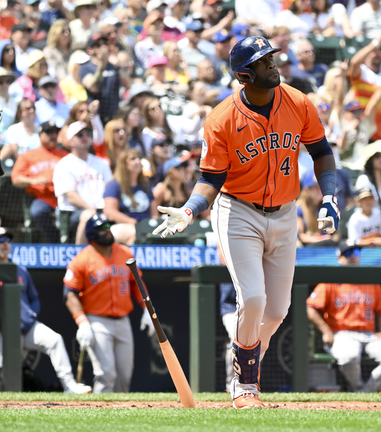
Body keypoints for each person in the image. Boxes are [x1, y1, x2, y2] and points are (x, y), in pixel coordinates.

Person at [152, 36, 338, 409]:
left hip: (285, 214)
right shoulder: (222, 118)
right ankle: (245, 384)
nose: (273, 65)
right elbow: (211, 179)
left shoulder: (298, 101)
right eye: (264, 62)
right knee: (252, 299)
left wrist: (330, 197)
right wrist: (189, 210)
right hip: (238, 212)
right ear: (244, 75)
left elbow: (322, 153)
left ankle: (242, 357)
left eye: (272, 58)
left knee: (277, 310)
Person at [0, 228, 93, 394]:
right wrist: (4, 296)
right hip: (4, 330)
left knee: (55, 340)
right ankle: (7, 397)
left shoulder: (21, 269)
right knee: (6, 369)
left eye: (8, 240)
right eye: (0, 241)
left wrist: (33, 313)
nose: (5, 244)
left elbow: (34, 298)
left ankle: (69, 386)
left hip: (28, 326)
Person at [63, 213, 155, 393]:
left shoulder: (125, 252)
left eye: (108, 227)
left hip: (123, 321)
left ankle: (122, 419)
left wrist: (147, 310)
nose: (107, 231)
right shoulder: (82, 259)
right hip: (97, 321)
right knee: (106, 374)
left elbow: (137, 283)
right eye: (101, 228)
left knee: (124, 376)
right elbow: (69, 295)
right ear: (92, 234)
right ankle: (98, 417)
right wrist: (82, 322)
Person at [307, 241, 381, 392]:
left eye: (356, 253)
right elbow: (311, 308)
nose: (353, 257)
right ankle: (360, 388)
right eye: (348, 253)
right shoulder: (330, 280)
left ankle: (364, 392)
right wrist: (326, 331)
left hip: (369, 335)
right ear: (339, 258)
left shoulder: (370, 281)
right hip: (342, 334)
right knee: (349, 357)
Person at [53, 121, 114, 244]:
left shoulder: (102, 163)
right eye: (80, 135)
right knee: (89, 215)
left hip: (102, 211)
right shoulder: (64, 164)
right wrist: (94, 211)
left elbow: (110, 189)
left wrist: (108, 210)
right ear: (71, 141)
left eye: (88, 134)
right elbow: (71, 196)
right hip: (73, 214)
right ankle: (80, 255)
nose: (85, 137)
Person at [11, 120, 69, 243]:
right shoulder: (28, 156)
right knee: (38, 212)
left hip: (67, 196)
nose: (53, 135)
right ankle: (55, 241)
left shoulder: (66, 155)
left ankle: (72, 242)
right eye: (49, 132)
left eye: (55, 132)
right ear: (40, 135)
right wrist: (33, 180)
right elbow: (15, 179)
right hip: (43, 197)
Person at [103, 148, 152, 244]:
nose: (137, 161)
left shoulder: (146, 186)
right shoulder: (114, 185)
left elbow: (154, 214)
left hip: (145, 226)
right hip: (122, 225)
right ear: (124, 164)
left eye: (139, 158)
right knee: (134, 233)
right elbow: (110, 212)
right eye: (133, 159)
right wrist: (134, 223)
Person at [81, 33, 123, 123]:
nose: (103, 48)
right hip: (96, 117)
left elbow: (128, 85)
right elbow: (94, 88)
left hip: (114, 116)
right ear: (89, 50)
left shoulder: (113, 66)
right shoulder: (85, 67)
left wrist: (117, 66)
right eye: (98, 45)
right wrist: (101, 64)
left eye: (105, 44)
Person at [296, 172, 337, 247]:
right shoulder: (299, 208)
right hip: (309, 249)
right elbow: (301, 237)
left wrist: (329, 239)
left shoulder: (327, 206)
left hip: (326, 246)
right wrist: (322, 239)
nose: (320, 191)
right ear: (307, 190)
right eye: (316, 188)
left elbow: (336, 235)